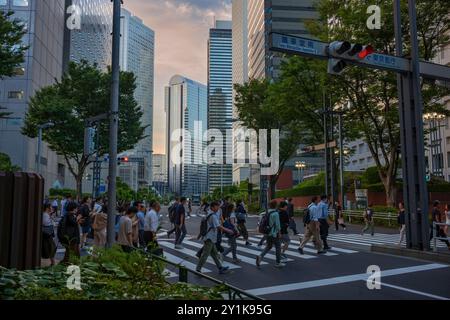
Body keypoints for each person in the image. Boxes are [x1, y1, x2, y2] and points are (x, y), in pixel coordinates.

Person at [196, 201, 231, 274]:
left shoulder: (209, 213)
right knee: (205, 254)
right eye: (216, 206)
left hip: (210, 237)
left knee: (214, 254)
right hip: (209, 237)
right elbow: (218, 226)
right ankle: (198, 269)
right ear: (212, 207)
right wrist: (228, 230)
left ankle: (220, 268)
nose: (218, 208)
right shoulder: (213, 216)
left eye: (218, 206)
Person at [256, 200, 285, 268]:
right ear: (276, 205)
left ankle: (260, 256)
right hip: (274, 233)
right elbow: (277, 225)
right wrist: (279, 233)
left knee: (269, 246)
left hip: (267, 232)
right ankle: (278, 262)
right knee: (278, 247)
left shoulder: (267, 212)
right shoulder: (275, 213)